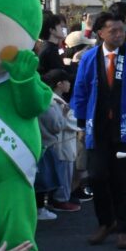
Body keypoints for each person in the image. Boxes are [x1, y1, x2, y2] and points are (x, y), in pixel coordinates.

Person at [71, 11, 126, 250]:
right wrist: (79, 123)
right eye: (113, 31)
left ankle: (124, 228)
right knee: (97, 176)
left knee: (124, 179)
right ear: (100, 33)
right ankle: (105, 221)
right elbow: (81, 91)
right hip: (97, 127)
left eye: (121, 30)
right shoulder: (89, 58)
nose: (119, 35)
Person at [37, 68, 80, 215]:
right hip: (58, 143)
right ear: (60, 84)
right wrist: (65, 115)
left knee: (58, 174)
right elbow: (58, 125)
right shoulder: (53, 101)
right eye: (67, 81)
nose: (69, 84)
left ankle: (57, 200)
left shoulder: (54, 99)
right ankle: (59, 201)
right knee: (60, 174)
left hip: (58, 143)